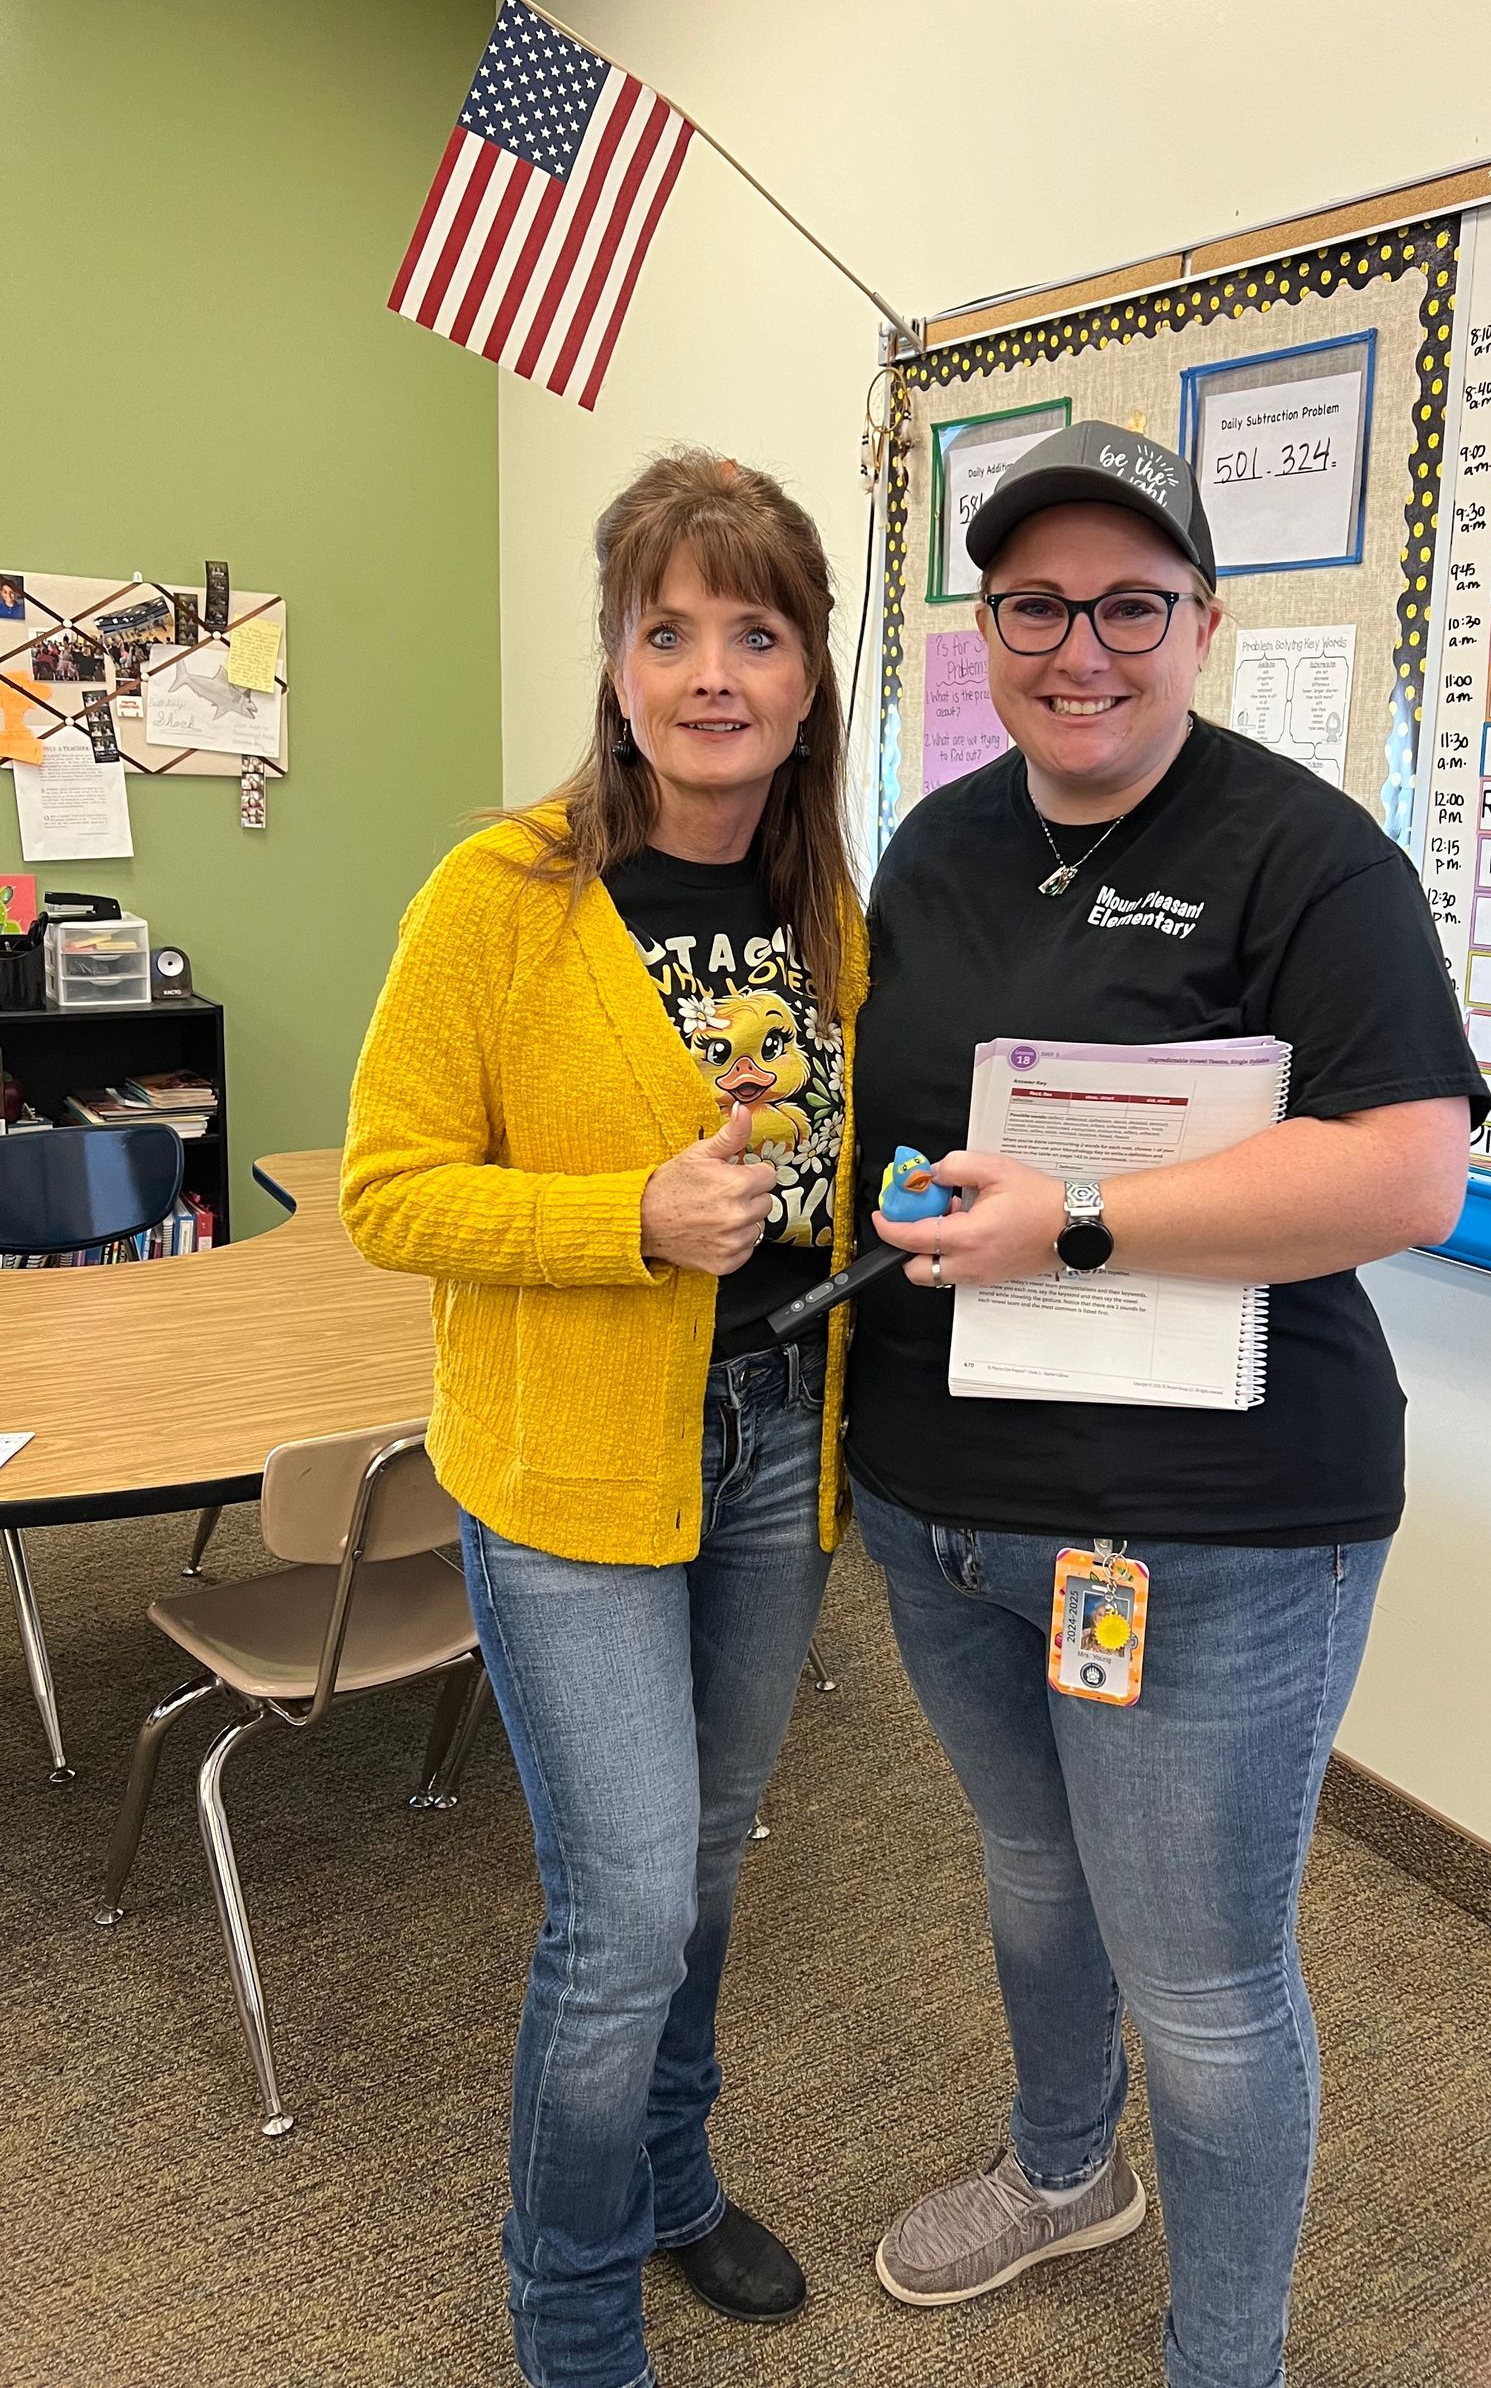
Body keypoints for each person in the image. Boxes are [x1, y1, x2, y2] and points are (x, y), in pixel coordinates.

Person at [849, 420, 1489, 2388]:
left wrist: (1095, 1217)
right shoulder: (934, 841)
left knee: (1205, 1985)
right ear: (987, 624)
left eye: (1132, 601)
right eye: (1037, 602)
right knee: (1035, 1876)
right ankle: (1064, 2171)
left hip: (1203, 1535)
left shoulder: (1309, 855)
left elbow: (1405, 1170)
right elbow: (916, 1132)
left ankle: (1229, 2350)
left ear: (1201, 620)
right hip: (944, 1503)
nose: (1083, 644)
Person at [341, 450, 864, 2388]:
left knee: (712, 1860)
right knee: (625, 1903)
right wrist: (620, 1218)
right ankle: (570, 2310)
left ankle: (668, 2174)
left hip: (764, 1447)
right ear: (615, 662)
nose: (711, 671)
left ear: (813, 673)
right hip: (564, 1459)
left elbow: (819, 1160)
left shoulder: (830, 903)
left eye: (756, 630)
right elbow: (389, 1187)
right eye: (669, 630)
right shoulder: (504, 894)